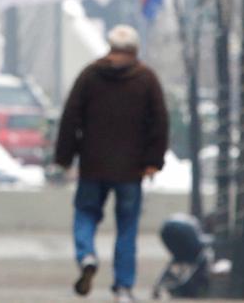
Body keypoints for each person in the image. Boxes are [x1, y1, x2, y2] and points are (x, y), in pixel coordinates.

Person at [54, 25, 169, 303]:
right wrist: (153, 162)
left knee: (85, 214)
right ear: (135, 50)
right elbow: (160, 122)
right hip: (131, 169)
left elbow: (71, 117)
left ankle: (87, 256)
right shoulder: (146, 79)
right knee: (127, 227)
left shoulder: (90, 76)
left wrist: (64, 158)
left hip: (93, 165)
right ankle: (123, 287)